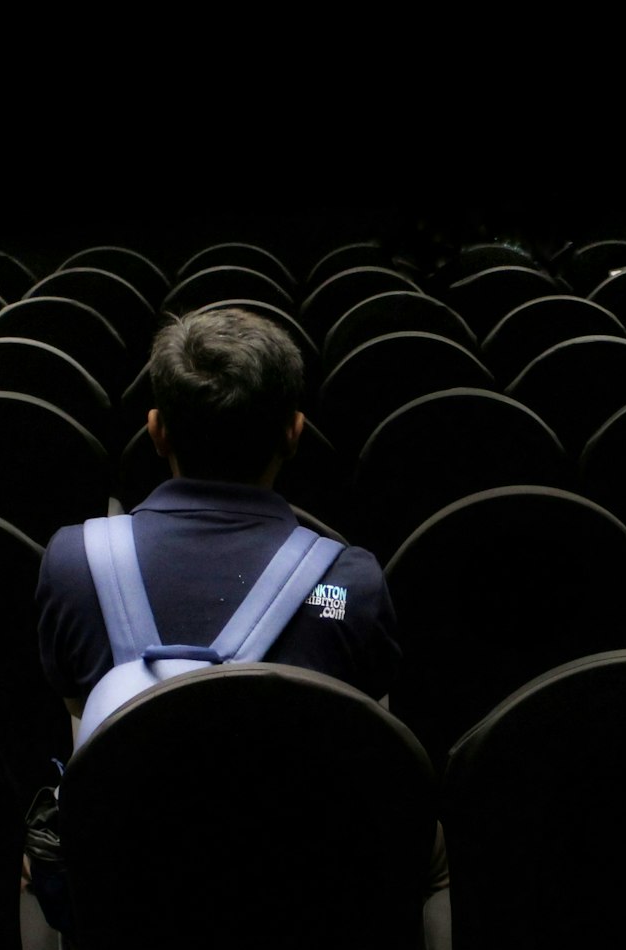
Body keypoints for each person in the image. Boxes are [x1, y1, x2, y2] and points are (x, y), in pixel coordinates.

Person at [36, 306, 401, 724]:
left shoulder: (73, 564)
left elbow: (83, 719)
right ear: (295, 434)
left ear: (156, 432)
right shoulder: (352, 585)